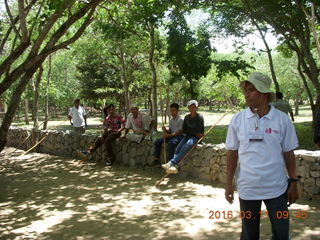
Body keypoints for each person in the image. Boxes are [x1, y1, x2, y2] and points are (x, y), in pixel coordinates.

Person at [225, 72, 299, 240]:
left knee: (281, 234)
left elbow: (288, 152)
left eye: (252, 90)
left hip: (277, 190)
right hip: (247, 190)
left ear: (265, 93)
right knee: (249, 234)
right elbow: (232, 153)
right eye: (245, 90)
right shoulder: (237, 120)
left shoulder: (282, 120)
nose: (246, 94)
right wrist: (228, 184)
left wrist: (293, 182)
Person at [161, 100, 204, 174]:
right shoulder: (187, 117)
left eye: (194, 107)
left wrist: (192, 132)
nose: (192, 108)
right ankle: (175, 167)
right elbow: (184, 130)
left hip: (195, 138)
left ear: (196, 108)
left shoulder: (200, 117)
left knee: (187, 146)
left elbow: (197, 131)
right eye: (190, 107)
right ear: (188, 108)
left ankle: (171, 163)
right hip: (188, 136)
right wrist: (191, 132)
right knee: (178, 148)